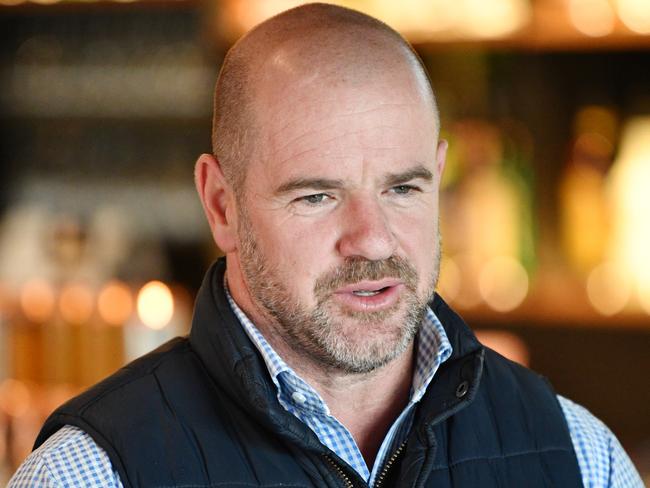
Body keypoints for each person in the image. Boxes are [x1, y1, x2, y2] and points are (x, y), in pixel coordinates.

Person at [9, 3, 644, 487]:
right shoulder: (95, 472)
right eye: (317, 197)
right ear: (221, 205)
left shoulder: (580, 457)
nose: (372, 239)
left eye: (402, 188)